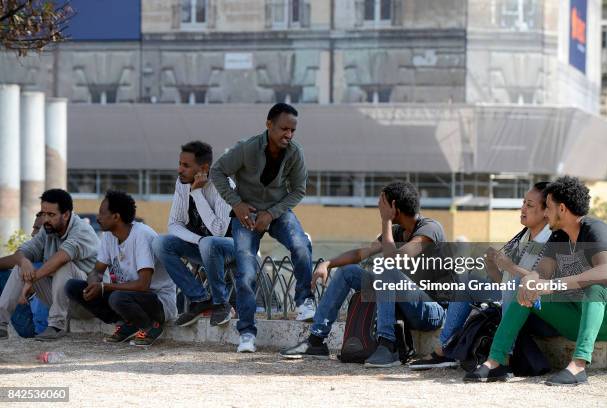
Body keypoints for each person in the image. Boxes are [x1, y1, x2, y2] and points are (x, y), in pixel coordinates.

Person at [464, 176, 607, 386]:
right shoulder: (558, 235)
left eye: (548, 208)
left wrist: (553, 285)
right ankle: (496, 361)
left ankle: (578, 366)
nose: (546, 213)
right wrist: (531, 280)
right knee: (526, 287)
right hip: (575, 319)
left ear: (561, 209)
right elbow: (542, 271)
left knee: (594, 289)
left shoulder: (594, 229)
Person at [280, 181, 446, 367]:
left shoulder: (430, 229)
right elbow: (361, 253)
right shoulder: (397, 232)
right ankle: (316, 341)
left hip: (431, 311)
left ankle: (388, 344)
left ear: (394, 208)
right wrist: (329, 263)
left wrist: (385, 221)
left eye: (382, 204)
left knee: (385, 268)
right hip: (404, 303)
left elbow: (393, 261)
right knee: (347, 272)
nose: (378, 208)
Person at [410, 182, 554, 370]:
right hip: (512, 299)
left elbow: (543, 283)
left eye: (530, 205)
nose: (523, 209)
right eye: (523, 203)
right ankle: (444, 350)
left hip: (539, 308)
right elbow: (504, 286)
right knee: (467, 282)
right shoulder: (523, 237)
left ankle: (503, 357)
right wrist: (492, 266)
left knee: (517, 283)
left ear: (546, 211)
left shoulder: (552, 239)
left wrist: (510, 266)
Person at [210, 103, 316, 353]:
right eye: (283, 129)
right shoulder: (246, 148)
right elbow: (217, 171)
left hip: (277, 211)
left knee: (301, 245)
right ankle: (246, 334)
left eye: (292, 130)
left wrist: (271, 213)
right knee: (246, 274)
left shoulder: (295, 152)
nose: (288, 135)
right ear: (269, 125)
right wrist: (236, 204)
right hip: (246, 216)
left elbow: (299, 190)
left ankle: (304, 301)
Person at [65, 191, 178, 346]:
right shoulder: (109, 236)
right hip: (127, 297)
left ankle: (150, 326)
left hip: (158, 302)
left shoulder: (141, 235)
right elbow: (97, 271)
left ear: (116, 217)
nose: (98, 218)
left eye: (102, 213)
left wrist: (104, 286)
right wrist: (92, 283)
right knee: (73, 287)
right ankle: (128, 323)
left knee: (117, 297)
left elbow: (143, 285)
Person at [153, 141, 234, 328]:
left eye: (186, 166)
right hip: (205, 247)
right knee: (160, 243)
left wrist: (197, 193)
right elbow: (174, 224)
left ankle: (221, 303)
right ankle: (199, 300)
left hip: (232, 248)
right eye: (180, 163)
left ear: (203, 168)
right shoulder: (182, 184)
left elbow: (219, 231)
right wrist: (198, 240)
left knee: (209, 243)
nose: (179, 170)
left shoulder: (223, 184)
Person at [0, 189, 99, 341]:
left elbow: (61, 258)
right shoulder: (47, 230)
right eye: (43, 213)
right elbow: (24, 251)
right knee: (21, 266)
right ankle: (1, 324)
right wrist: (24, 261)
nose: (45, 219)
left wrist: (31, 280)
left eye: (51, 215)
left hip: (89, 302)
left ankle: (56, 326)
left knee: (63, 265)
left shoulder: (82, 230)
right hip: (63, 300)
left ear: (65, 215)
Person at [0, 212, 50, 337]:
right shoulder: (39, 251)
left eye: (37, 228)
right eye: (33, 228)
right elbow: (14, 259)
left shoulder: (54, 254)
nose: (33, 233)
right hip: (34, 320)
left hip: (36, 327)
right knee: (7, 271)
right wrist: (22, 261)